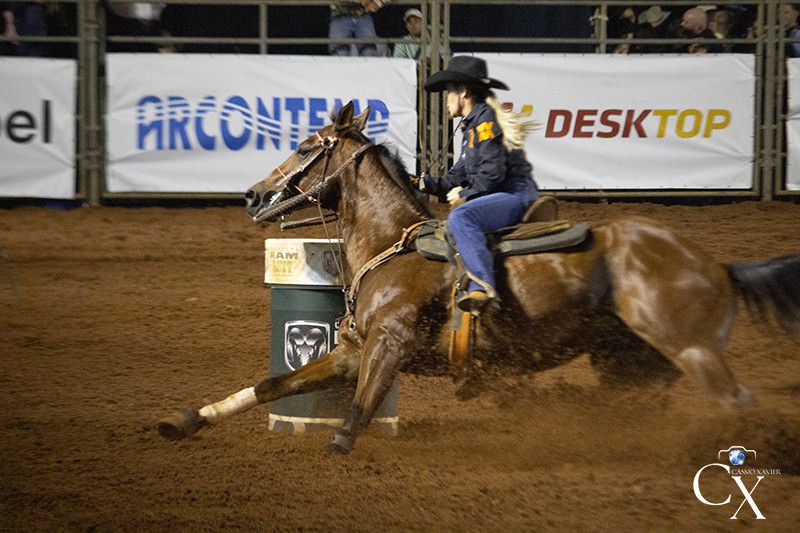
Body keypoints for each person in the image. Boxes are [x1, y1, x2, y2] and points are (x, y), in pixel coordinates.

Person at [420, 56, 539, 313]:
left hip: (514, 194)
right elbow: (457, 175)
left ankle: (482, 286)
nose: (446, 98)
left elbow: (492, 173)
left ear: (463, 92)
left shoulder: (486, 123)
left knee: (461, 217)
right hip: (503, 192)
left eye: (449, 92)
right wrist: (424, 183)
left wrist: (465, 194)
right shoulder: (473, 126)